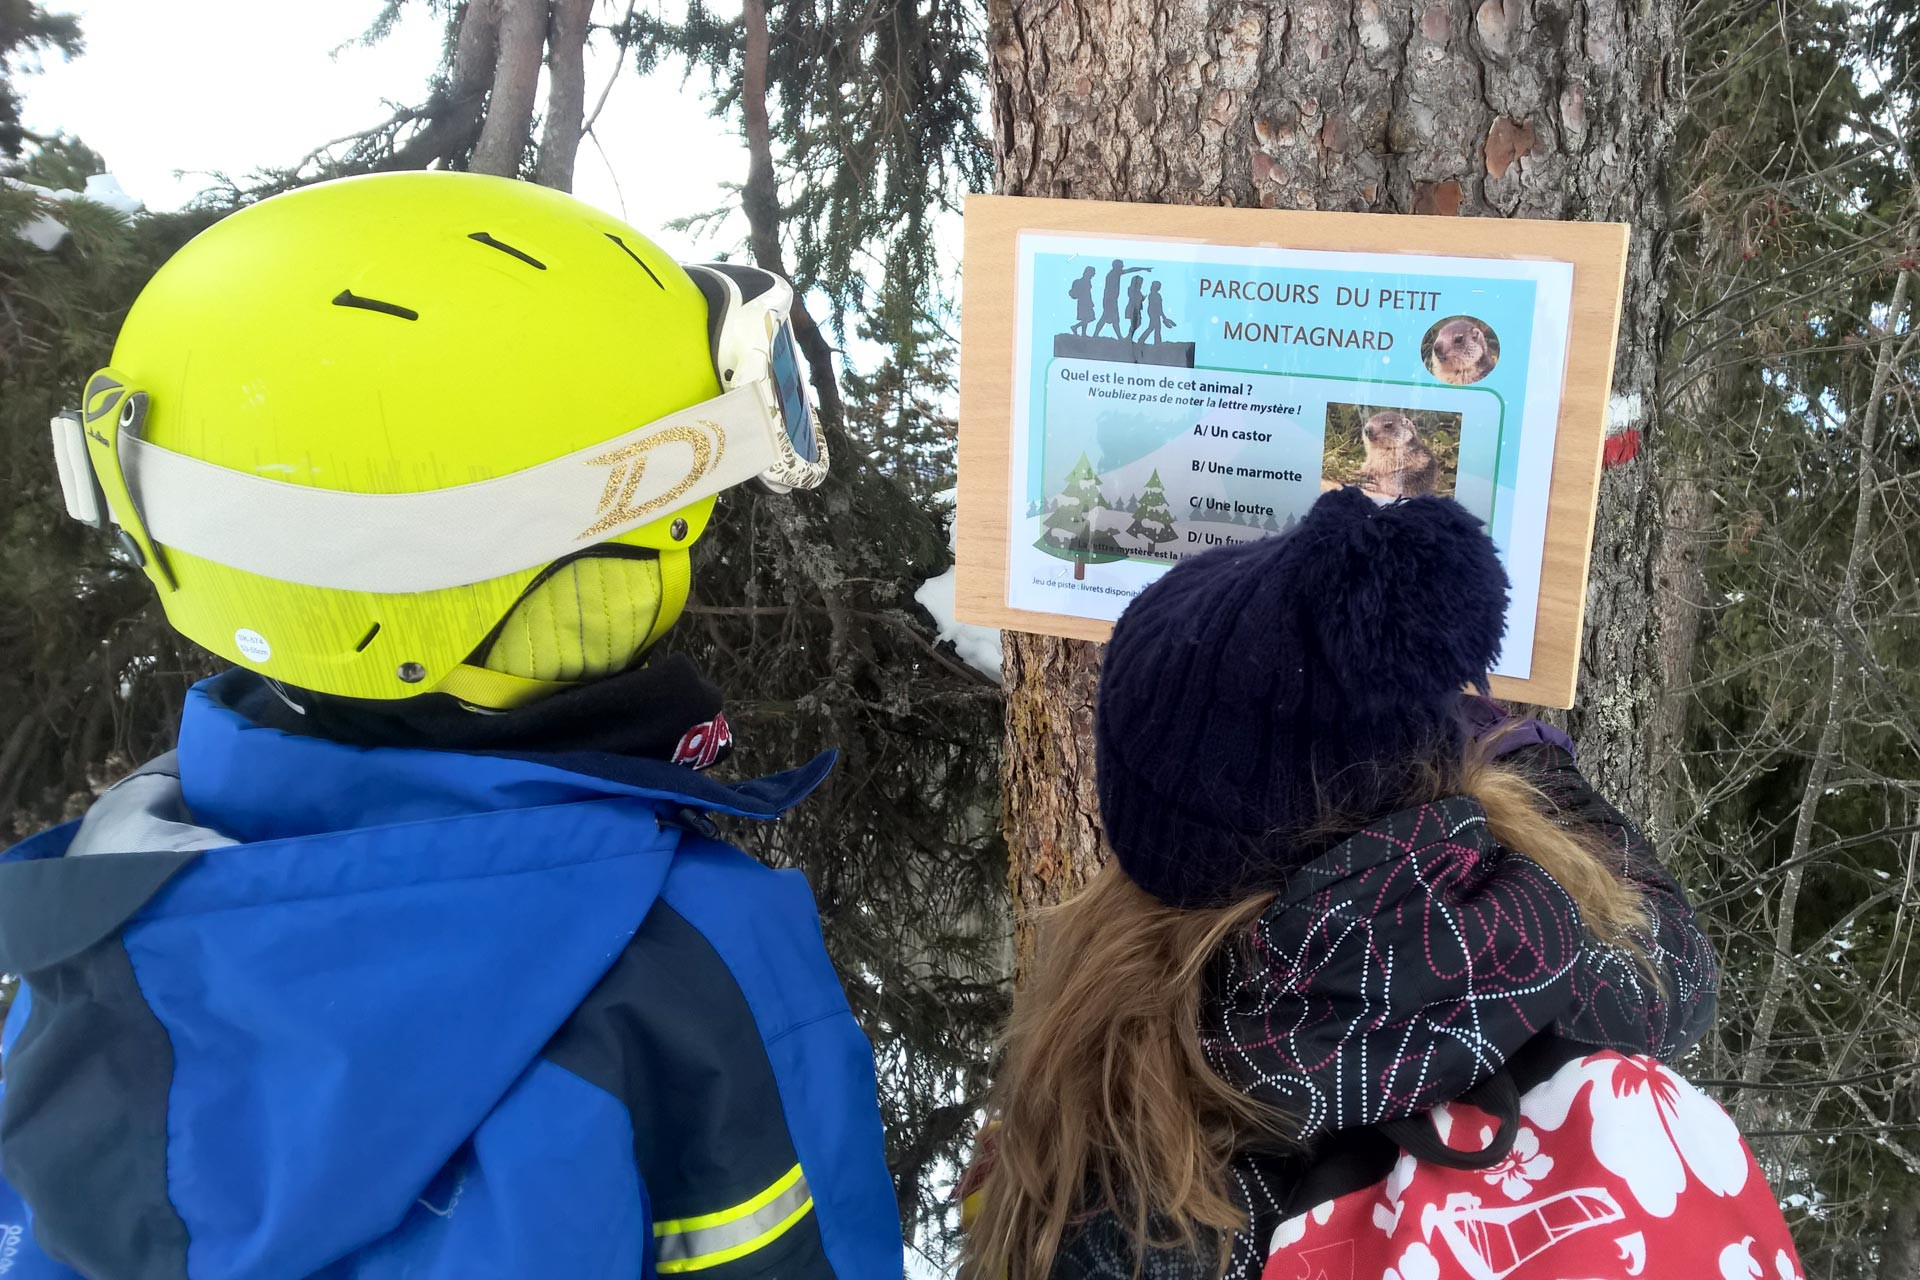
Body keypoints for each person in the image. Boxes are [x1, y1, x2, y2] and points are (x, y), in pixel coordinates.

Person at [2, 173, 900, 1279]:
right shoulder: (690, 958)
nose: (695, 539)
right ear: (564, 581)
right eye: (670, 517)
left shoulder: (102, 923)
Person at [962, 489, 1803, 1279]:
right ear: (1439, 771)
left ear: (1158, 847)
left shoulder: (1138, 1187)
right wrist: (1530, 763)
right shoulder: (1572, 957)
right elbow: (1676, 957)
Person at [1142, 279, 1176, 344]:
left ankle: (1156, 342)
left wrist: (1163, 316)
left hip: (1153, 312)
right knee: (1155, 327)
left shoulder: (1154, 295)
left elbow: (1159, 307)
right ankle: (1154, 342)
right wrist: (1163, 316)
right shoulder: (1155, 295)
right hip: (1153, 312)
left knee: (1153, 327)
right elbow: (1158, 307)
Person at [1070, 265, 1097, 335]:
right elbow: (1086, 293)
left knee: (1086, 318)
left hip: (1085, 301)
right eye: (1092, 273)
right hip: (1084, 302)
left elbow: (1088, 293)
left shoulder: (1087, 281)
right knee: (1086, 317)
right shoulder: (1083, 281)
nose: (1093, 275)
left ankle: (1083, 332)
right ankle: (1076, 327)